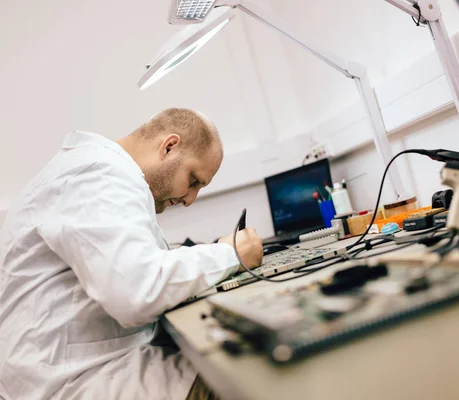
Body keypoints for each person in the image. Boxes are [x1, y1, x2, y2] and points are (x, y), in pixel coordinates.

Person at [0, 108, 263, 399]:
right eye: (193, 181)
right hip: (79, 382)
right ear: (169, 146)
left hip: (75, 369)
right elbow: (137, 290)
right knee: (250, 376)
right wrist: (229, 253)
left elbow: (133, 266)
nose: (190, 199)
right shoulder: (98, 174)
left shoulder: (97, 171)